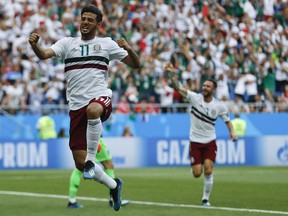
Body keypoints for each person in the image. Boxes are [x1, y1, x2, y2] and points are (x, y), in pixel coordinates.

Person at [29, 4, 140, 212]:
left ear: (98, 24)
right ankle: (114, 186)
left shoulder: (106, 44)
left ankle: (91, 160)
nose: (85, 22)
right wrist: (35, 45)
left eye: (90, 20)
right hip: (76, 108)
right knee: (79, 164)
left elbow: (136, 64)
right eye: (83, 19)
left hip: (100, 100)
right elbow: (44, 54)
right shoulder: (67, 43)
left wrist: (129, 47)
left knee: (93, 111)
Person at [165, 62, 237, 206]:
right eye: (204, 85)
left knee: (208, 170)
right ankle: (194, 168)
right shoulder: (195, 98)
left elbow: (227, 121)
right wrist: (172, 74)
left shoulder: (219, 106)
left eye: (208, 86)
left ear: (214, 90)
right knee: (198, 173)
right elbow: (178, 88)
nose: (204, 88)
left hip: (210, 141)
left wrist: (232, 133)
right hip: (195, 141)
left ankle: (205, 199)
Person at [68, 138, 130, 208]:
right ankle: (114, 197)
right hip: (93, 137)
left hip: (80, 137)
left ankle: (72, 200)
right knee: (108, 165)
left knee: (80, 166)